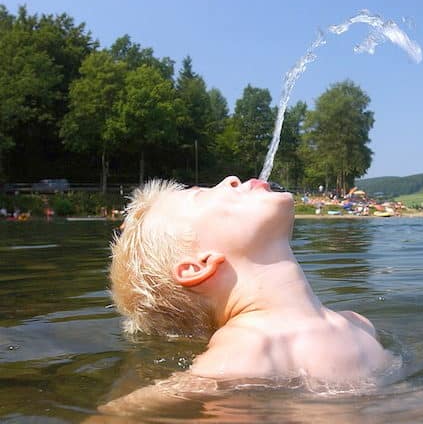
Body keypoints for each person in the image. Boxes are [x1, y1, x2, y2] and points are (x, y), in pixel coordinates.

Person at [103, 177, 393, 414]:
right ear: (197, 266)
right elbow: (125, 410)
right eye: (200, 196)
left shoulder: (357, 323)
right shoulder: (246, 347)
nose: (231, 179)